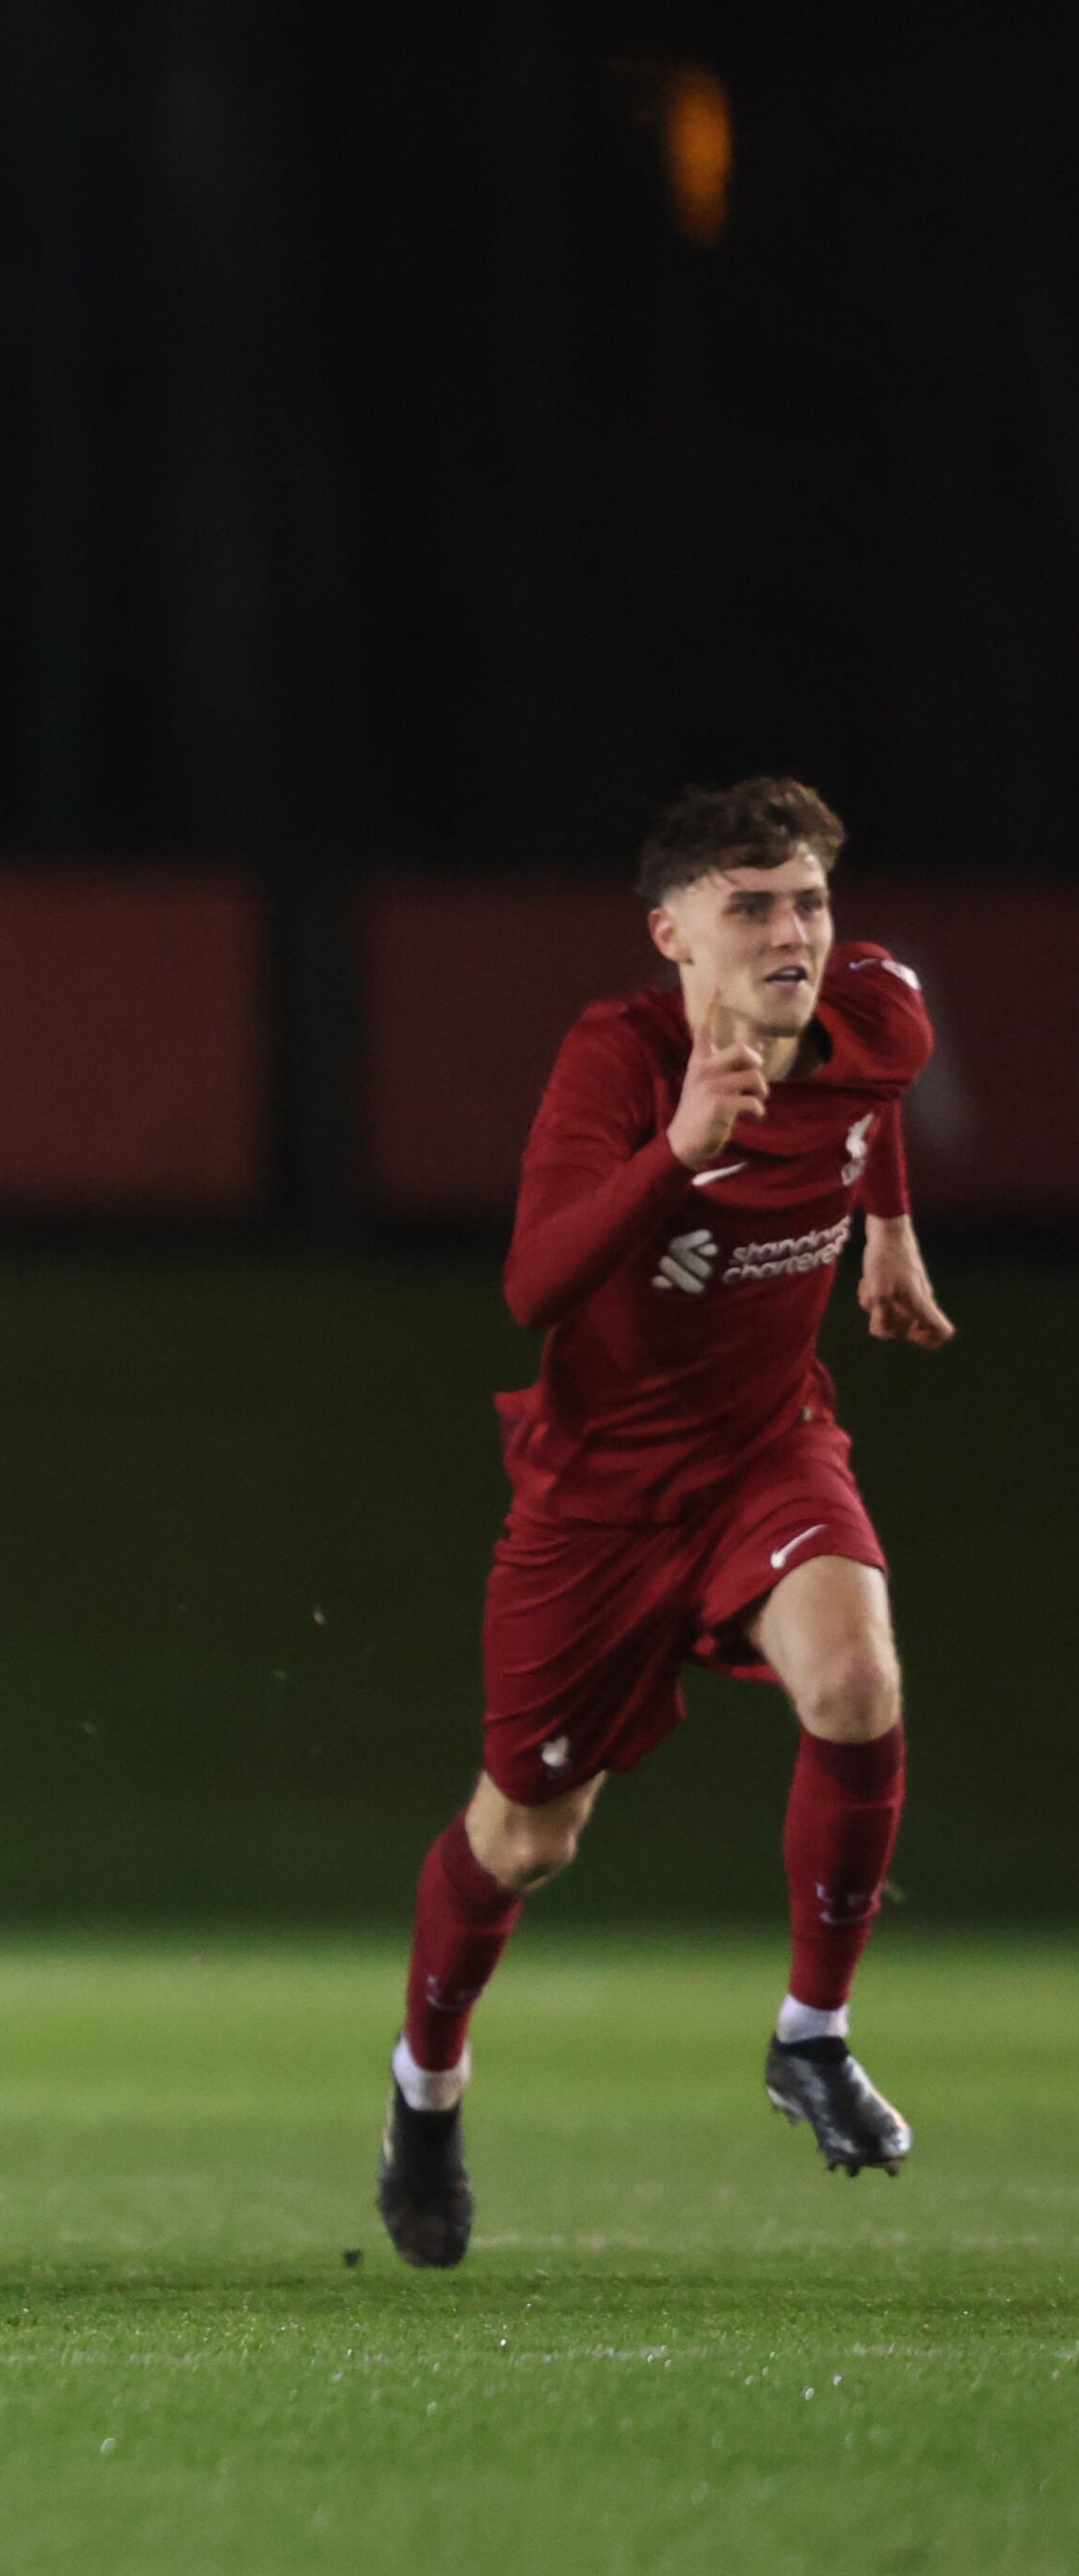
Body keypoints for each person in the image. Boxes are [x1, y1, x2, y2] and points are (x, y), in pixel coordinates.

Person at [376, 778, 950, 2270]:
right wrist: (677, 1152)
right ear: (673, 936)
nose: (790, 932)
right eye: (748, 907)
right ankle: (425, 2092)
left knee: (857, 1678)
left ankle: (811, 2034)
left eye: (807, 901)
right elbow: (533, 1285)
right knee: (525, 1836)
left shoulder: (878, 1011)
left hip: (768, 1448)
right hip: (602, 1500)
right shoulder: (621, 1060)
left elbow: (875, 1091)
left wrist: (888, 1233)